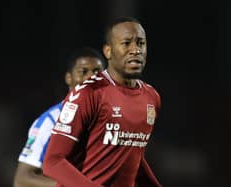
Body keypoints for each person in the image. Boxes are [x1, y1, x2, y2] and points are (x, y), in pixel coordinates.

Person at [43, 17, 162, 187]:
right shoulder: (88, 93)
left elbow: (132, 157)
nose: (135, 50)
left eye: (140, 43)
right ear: (108, 51)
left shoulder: (151, 97)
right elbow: (53, 162)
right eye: (126, 43)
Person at [13, 47, 105, 187]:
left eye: (96, 72)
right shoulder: (50, 121)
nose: (90, 78)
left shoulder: (112, 119)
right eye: (83, 71)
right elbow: (22, 179)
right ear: (69, 78)